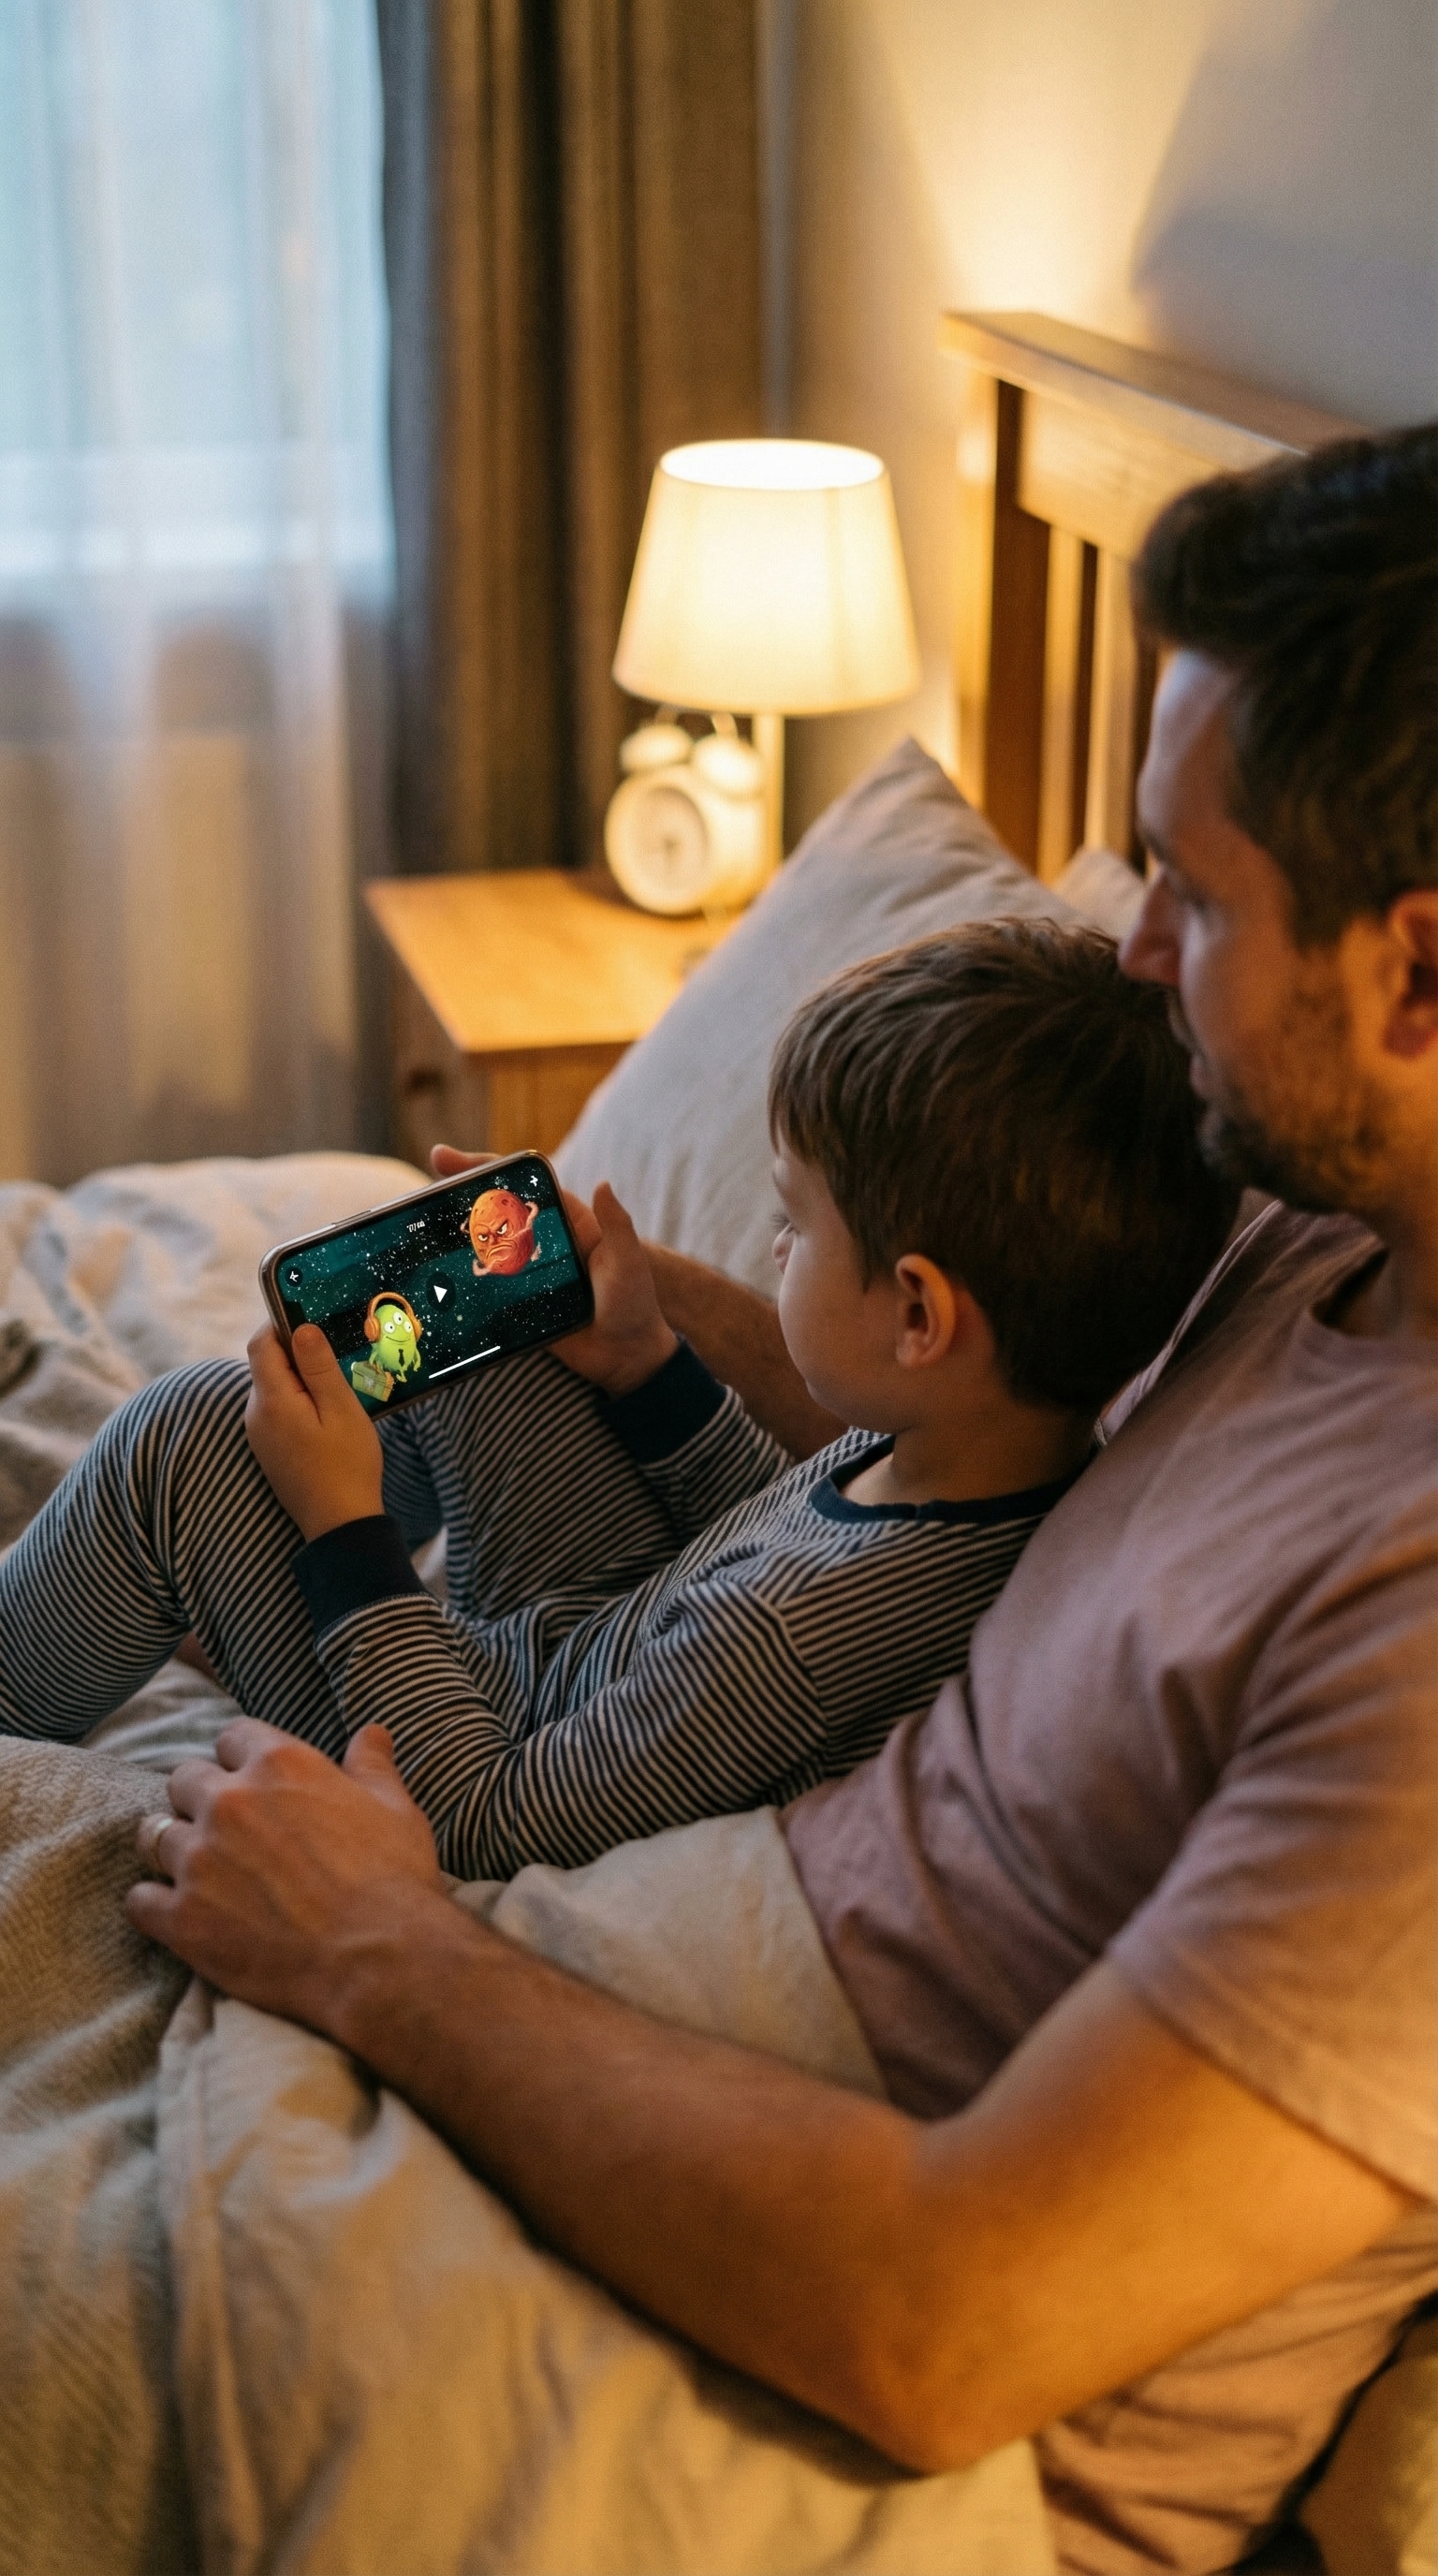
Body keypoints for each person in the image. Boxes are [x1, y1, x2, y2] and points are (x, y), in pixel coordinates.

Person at [64, 423, 1438, 2569]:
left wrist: (379, 1939)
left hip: (713, 2177)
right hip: (652, 1906)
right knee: (309, 1394)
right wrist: (656, 1312)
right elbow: (946, 1425)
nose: (1144, 947)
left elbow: (946, 2317)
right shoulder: (1296, 1209)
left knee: (196, 1473)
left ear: (1417, 975)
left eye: (1193, 886)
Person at [0, 927, 1233, 1880]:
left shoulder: (797, 1644)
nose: (766, 1243)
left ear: (919, 1315)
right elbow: (763, 1526)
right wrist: (647, 1364)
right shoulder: (980, 1454)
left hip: (468, 1747)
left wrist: (347, 1535)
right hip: (589, 1630)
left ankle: (100, 1639)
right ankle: (269, 1571)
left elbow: (478, 1824)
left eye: (792, 1224)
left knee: (184, 1438)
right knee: (498, 1322)